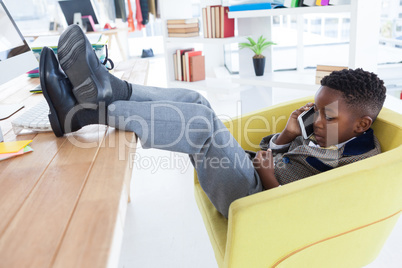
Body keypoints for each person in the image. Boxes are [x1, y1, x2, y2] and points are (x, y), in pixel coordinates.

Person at [40, 25, 386, 218]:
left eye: (328, 115)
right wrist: (286, 135)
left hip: (256, 201)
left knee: (202, 123)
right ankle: (113, 90)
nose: (318, 120)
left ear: (362, 124)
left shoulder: (359, 163)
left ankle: (87, 112)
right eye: (317, 109)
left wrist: (267, 176)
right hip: (254, 173)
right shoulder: (326, 134)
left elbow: (303, 212)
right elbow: (274, 151)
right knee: (195, 101)